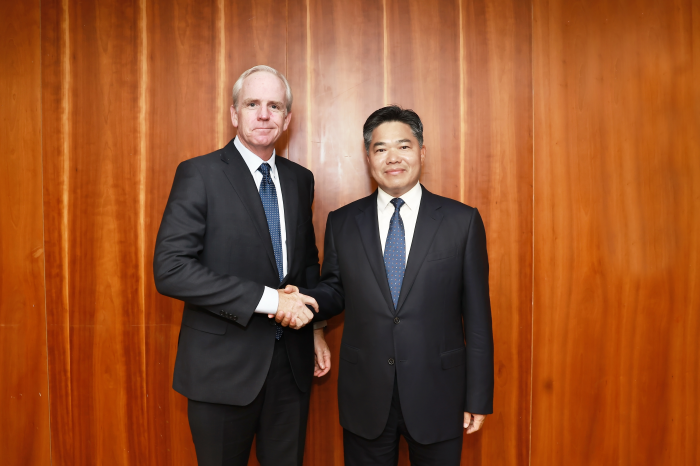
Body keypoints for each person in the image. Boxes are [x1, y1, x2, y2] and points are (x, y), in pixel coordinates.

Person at [153, 65, 331, 466]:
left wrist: (317, 329)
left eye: (274, 106)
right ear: (235, 114)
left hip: (291, 368)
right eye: (252, 104)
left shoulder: (300, 179)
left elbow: (306, 263)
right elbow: (171, 269)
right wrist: (271, 300)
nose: (263, 114)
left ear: (287, 118)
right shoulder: (199, 174)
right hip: (222, 371)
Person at [300, 106, 494, 465]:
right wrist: (304, 301)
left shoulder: (461, 221)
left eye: (403, 146)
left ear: (421, 152)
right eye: (381, 148)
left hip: (439, 394)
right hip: (366, 395)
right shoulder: (343, 222)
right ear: (368, 157)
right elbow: (335, 290)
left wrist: (478, 396)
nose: (393, 157)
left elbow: (478, 318)